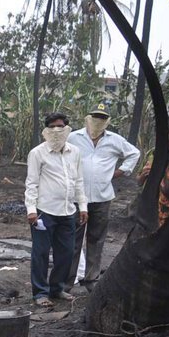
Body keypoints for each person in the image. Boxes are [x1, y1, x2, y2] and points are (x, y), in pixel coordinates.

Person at [66, 102, 140, 291]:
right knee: (73, 239)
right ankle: (68, 281)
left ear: (107, 121)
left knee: (96, 239)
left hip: (102, 197)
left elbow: (134, 153)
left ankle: (91, 279)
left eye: (102, 118)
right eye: (95, 117)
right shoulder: (74, 137)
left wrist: (121, 171)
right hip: (76, 197)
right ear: (88, 118)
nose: (98, 121)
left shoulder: (114, 140)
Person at [25, 112, 88, 307]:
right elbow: (32, 183)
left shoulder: (74, 152)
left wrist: (82, 206)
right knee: (41, 253)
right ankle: (40, 293)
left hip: (68, 211)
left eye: (60, 126)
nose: (56, 130)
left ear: (67, 128)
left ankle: (57, 288)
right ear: (46, 129)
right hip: (44, 212)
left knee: (67, 253)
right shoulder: (38, 153)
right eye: (52, 127)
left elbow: (78, 181)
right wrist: (31, 209)